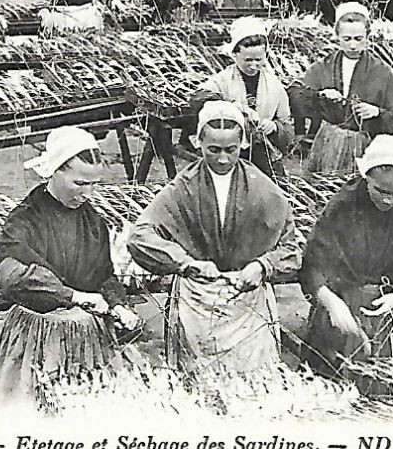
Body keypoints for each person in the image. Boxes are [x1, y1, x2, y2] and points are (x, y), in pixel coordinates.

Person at [127, 101, 304, 376]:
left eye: (230, 150)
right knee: (198, 380)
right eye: (214, 150)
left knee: (253, 381)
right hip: (196, 297)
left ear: (243, 144)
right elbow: (140, 237)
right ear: (198, 143)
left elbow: (292, 251)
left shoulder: (263, 188)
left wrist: (262, 266)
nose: (223, 159)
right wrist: (186, 263)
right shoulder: (183, 187)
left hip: (247, 298)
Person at [0, 127, 140, 411]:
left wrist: (118, 305)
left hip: (85, 339)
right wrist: (74, 296)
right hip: (37, 337)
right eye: (79, 182)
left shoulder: (93, 222)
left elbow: (104, 274)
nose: (87, 193)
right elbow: (12, 278)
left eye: (93, 184)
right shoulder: (26, 220)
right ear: (55, 171)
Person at [301, 135, 393, 371]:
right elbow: (314, 263)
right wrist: (332, 304)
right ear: (366, 178)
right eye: (380, 190)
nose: (388, 199)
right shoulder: (343, 207)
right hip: (346, 301)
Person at [294, 3, 393, 172]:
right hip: (328, 144)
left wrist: (377, 112)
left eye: (358, 39)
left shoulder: (381, 71)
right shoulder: (324, 66)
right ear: (337, 36)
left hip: (365, 147)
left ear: (367, 37)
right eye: (346, 39)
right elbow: (295, 94)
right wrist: (319, 95)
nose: (353, 45)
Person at [187, 16, 294, 177]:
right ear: (235, 54)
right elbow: (197, 98)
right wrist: (232, 105)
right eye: (247, 60)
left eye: (258, 60)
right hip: (227, 152)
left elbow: (287, 126)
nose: (253, 65)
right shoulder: (223, 79)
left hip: (261, 154)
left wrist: (274, 127)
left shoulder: (274, 85)